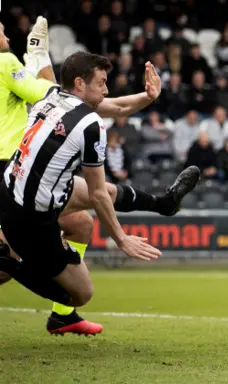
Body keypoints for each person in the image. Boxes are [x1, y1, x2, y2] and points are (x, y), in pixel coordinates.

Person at [0, 19, 199, 335]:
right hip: (31, 216)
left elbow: (114, 104)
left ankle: (165, 203)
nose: (107, 89)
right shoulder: (90, 125)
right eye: (102, 83)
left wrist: (148, 97)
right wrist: (121, 239)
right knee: (81, 293)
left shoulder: (51, 95)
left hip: (11, 190)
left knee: (83, 219)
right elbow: (96, 195)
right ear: (80, 84)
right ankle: (10, 262)